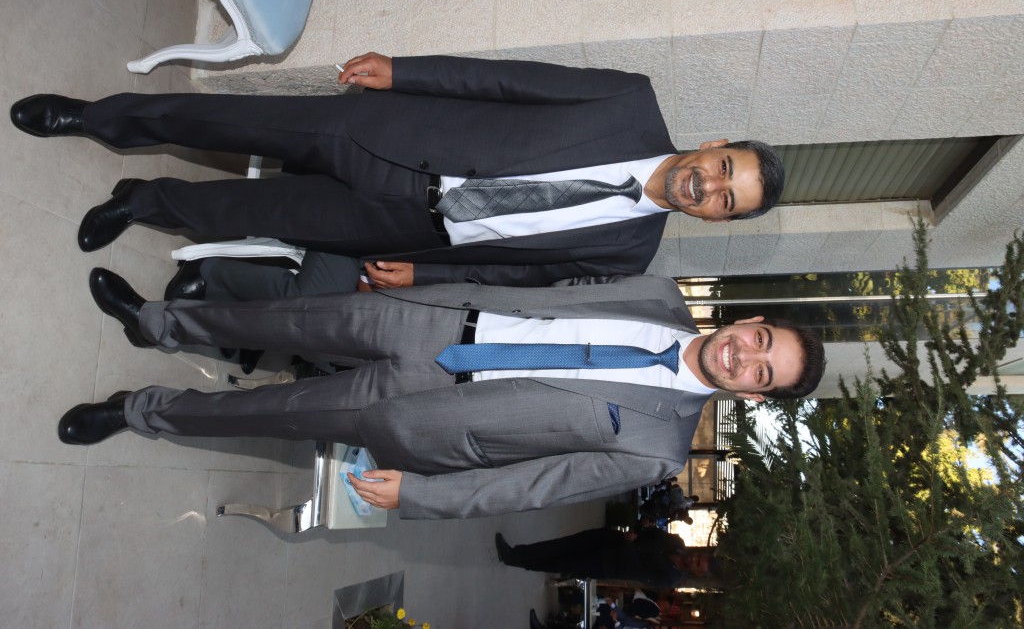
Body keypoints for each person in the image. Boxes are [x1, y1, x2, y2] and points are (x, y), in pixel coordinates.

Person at [58, 270, 825, 519]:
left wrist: (425, 494)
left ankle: (139, 411)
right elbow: (536, 275)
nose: (745, 357)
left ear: (754, 397)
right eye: (761, 340)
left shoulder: (657, 450)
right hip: (436, 314)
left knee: (275, 412)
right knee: (285, 318)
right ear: (748, 322)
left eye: (763, 373)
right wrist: (425, 274)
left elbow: (536, 485)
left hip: (429, 408)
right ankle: (156, 322)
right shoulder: (657, 294)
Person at [11, 52, 785, 292]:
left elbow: (522, 274)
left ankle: (144, 201)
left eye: (726, 200)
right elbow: (506, 81)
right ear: (714, 144)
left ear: (715, 218)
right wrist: (403, 72)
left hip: (408, 227)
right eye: (725, 169)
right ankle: (97, 117)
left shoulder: (629, 255)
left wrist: (424, 271)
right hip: (390, 134)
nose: (711, 186)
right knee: (228, 122)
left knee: (263, 214)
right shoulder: (628, 102)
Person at [495, 526, 704, 589]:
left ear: (696, 572)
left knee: (559, 563)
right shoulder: (677, 543)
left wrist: (629, 545)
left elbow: (636, 570)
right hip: (608, 540)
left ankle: (515, 558)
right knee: (561, 545)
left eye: (698, 564)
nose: (694, 559)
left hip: (605, 564)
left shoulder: (669, 579)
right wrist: (639, 530)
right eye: (698, 557)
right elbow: (652, 532)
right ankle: (516, 553)